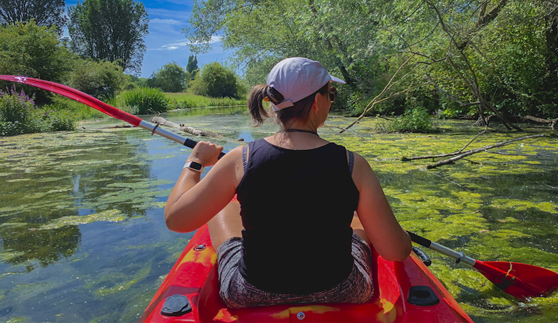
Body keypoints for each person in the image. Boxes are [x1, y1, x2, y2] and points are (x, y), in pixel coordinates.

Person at [164, 57, 412, 309]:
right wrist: (396, 232)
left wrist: (195, 162)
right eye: (331, 94)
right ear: (317, 102)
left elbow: (176, 219)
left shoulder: (241, 159)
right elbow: (395, 252)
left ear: (274, 105)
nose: (331, 100)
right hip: (344, 290)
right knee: (359, 219)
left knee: (226, 207)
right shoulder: (353, 165)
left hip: (251, 292)